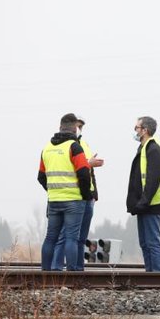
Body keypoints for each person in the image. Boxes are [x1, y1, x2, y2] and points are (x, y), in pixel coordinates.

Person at [38, 114, 91, 271]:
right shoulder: (74, 147)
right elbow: (83, 173)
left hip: (54, 200)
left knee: (50, 238)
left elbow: (41, 176)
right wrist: (85, 195)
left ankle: (45, 274)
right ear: (75, 128)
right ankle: (72, 274)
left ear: (60, 127)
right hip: (74, 201)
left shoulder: (46, 148)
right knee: (71, 239)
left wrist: (53, 190)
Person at [51, 116, 104, 270]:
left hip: (88, 196)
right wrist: (89, 164)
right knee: (65, 236)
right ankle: (57, 269)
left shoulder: (84, 144)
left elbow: (89, 172)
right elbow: (75, 169)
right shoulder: (67, 145)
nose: (79, 128)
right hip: (73, 197)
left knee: (80, 238)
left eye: (81, 126)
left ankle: (78, 270)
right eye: (78, 125)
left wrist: (94, 194)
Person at [127, 116, 160, 272]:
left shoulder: (154, 150)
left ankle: (156, 276)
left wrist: (143, 202)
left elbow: (153, 180)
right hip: (144, 204)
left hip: (152, 204)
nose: (135, 131)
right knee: (145, 242)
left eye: (136, 128)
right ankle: (149, 274)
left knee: (152, 242)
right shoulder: (144, 148)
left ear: (145, 130)